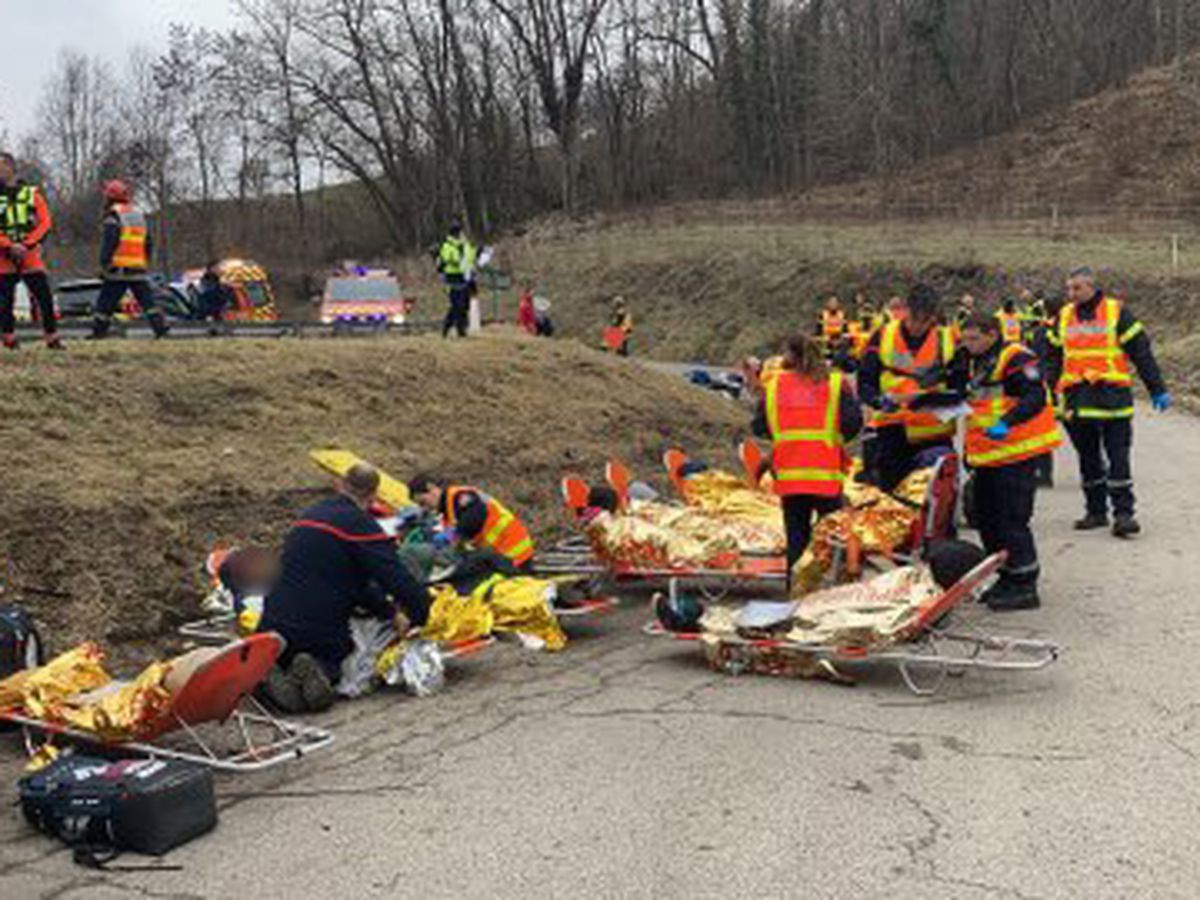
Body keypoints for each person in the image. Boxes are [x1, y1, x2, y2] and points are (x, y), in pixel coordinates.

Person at [258, 464, 431, 712]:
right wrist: (421, 613)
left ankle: (277, 676)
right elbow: (393, 575)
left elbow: (356, 584)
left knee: (294, 656)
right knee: (333, 660)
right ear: (373, 496)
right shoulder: (358, 524)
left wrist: (388, 611)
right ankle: (317, 677)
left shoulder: (308, 515)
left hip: (274, 619)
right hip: (318, 626)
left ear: (340, 485)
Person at [1046, 267, 1169, 537]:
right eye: (1069, 289)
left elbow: (1141, 352)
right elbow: (1053, 356)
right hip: (1077, 398)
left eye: (1076, 288)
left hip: (1112, 396)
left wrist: (1156, 388)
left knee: (1118, 457)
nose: (1071, 294)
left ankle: (1124, 514)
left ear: (1091, 287)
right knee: (1088, 458)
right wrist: (1048, 390)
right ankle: (1096, 512)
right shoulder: (1064, 316)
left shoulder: (1116, 312)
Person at [952, 314, 1063, 610]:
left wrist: (1006, 422)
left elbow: (1035, 396)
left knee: (1012, 518)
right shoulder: (974, 360)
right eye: (965, 339)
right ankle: (1006, 576)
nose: (968, 345)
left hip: (1017, 452)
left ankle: (1025, 584)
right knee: (986, 517)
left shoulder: (1016, 358)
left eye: (974, 338)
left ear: (991, 334)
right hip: (988, 454)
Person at [752, 334, 862, 582]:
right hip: (826, 475)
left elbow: (759, 426)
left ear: (790, 356)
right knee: (832, 537)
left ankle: (796, 593)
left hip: (790, 476)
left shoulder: (775, 386)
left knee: (797, 538)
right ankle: (832, 591)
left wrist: (785, 437)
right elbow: (853, 423)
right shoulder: (835, 383)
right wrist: (834, 440)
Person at [859, 284, 957, 491]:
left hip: (934, 428)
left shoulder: (947, 338)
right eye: (914, 319)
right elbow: (865, 379)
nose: (918, 327)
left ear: (934, 317)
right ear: (906, 311)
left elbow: (960, 381)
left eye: (926, 321)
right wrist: (877, 401)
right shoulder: (883, 335)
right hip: (892, 426)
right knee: (893, 488)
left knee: (937, 490)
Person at [0, 152, 63, 350]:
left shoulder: (31, 194)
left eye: (2, 166)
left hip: (29, 253)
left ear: (12, 168)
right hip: (3, 254)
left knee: (44, 295)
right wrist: (8, 245)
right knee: (5, 300)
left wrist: (27, 244)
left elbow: (45, 222)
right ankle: (8, 337)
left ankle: (52, 337)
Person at [91, 180, 169, 340]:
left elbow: (110, 241)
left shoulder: (113, 215)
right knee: (148, 302)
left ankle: (99, 332)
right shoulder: (138, 215)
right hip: (137, 266)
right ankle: (160, 328)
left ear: (109, 197)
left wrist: (104, 263)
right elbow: (148, 242)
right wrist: (145, 260)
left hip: (118, 268)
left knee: (105, 302)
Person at [408, 475, 536, 570]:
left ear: (431, 488)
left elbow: (474, 517)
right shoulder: (447, 514)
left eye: (423, 502)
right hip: (501, 556)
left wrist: (455, 536)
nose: (426, 508)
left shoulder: (460, 496)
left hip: (514, 552)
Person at [437, 219, 476, 339]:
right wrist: (459, 261)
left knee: (464, 304)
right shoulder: (447, 245)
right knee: (456, 305)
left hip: (466, 275)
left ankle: (461, 328)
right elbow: (447, 258)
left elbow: (471, 256)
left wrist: (475, 258)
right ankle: (448, 326)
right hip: (453, 277)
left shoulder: (466, 244)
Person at [195, 261, 234, 331]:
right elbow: (208, 292)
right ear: (211, 269)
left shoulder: (216, 279)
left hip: (217, 309)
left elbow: (222, 294)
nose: (219, 269)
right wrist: (221, 287)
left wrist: (227, 288)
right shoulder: (207, 279)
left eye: (219, 268)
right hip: (210, 308)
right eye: (217, 268)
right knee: (213, 325)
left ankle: (221, 329)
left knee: (220, 323)